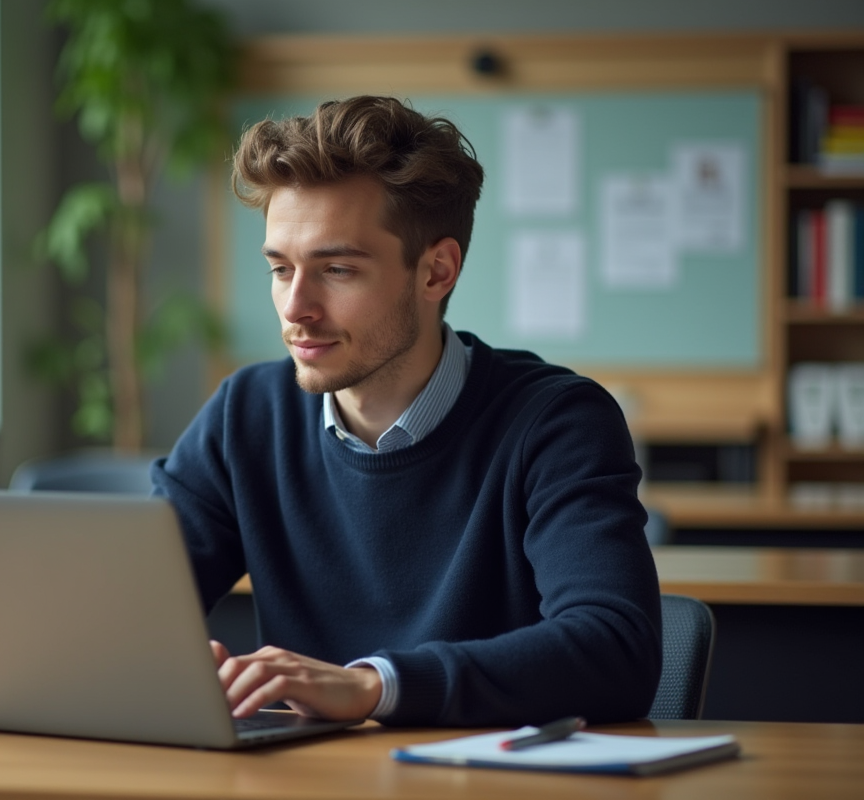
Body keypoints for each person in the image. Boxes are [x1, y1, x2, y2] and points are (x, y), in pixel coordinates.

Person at [150, 95, 662, 728]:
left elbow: (615, 650)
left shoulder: (557, 423)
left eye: (336, 269)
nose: (295, 307)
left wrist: (375, 686)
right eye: (281, 269)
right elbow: (129, 603)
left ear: (436, 271)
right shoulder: (247, 414)